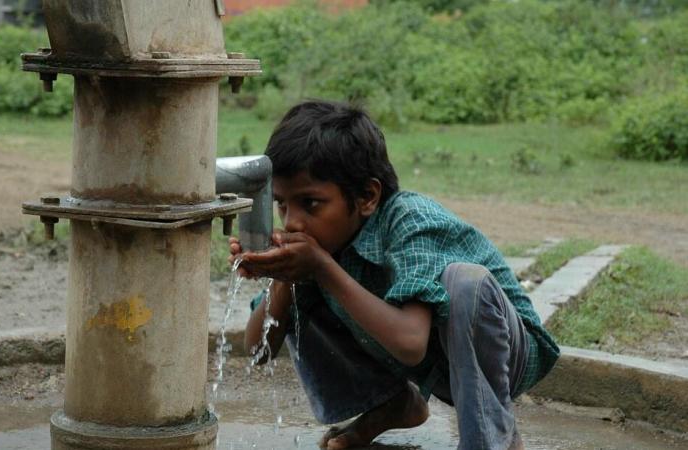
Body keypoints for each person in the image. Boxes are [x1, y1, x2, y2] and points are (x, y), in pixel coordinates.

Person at [228, 100, 559, 450]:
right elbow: (257, 351)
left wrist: (322, 268)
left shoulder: (410, 222)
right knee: (306, 289)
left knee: (464, 283)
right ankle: (392, 404)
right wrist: (284, 276)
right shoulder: (325, 241)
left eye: (310, 203)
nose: (292, 221)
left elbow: (411, 344)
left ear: (368, 196)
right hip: (429, 360)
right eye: (282, 204)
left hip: (505, 354)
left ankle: (496, 439)